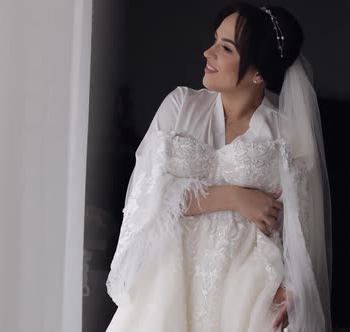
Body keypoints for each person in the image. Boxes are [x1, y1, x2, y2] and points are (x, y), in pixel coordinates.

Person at [105, 2, 332, 331]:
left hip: (247, 286)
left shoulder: (286, 136)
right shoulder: (180, 106)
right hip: (169, 282)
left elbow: (303, 225)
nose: (207, 52)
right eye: (214, 40)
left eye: (225, 48)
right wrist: (236, 197)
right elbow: (148, 197)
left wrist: (295, 286)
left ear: (259, 73)